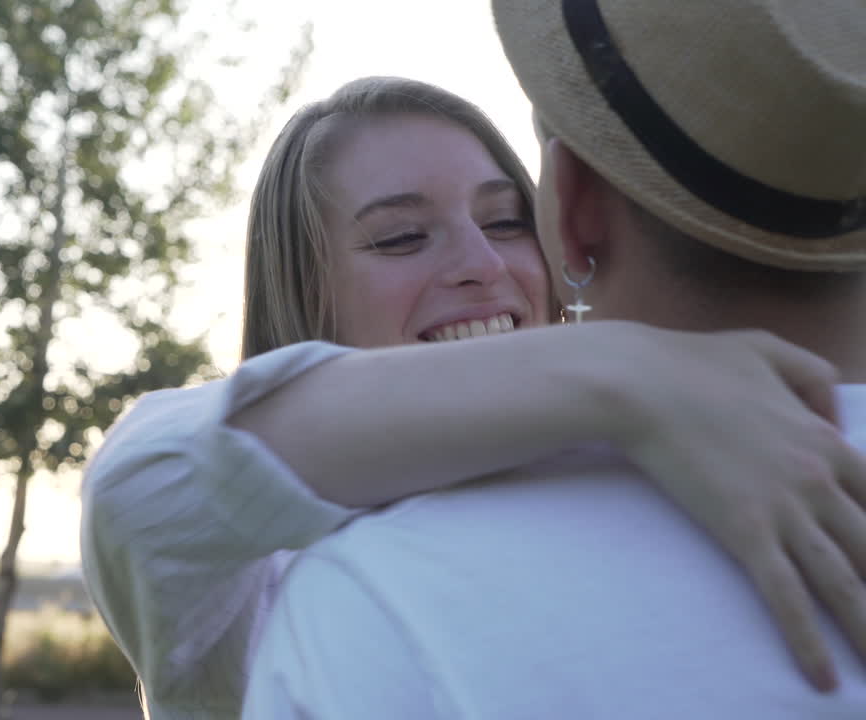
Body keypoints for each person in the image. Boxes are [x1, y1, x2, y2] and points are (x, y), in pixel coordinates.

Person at [82, 73, 866, 718]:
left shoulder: (674, 463)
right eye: (400, 238)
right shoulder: (272, 577)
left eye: (508, 220)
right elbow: (142, 482)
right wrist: (623, 364)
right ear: (305, 294)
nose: (482, 264)